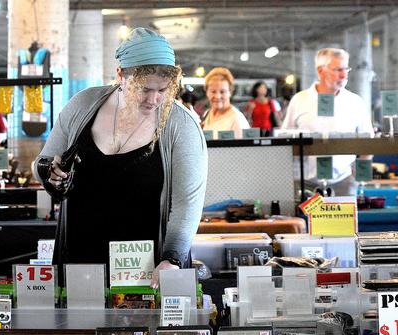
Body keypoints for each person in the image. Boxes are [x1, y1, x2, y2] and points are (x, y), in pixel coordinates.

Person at [34, 28, 207, 287]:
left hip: (147, 271)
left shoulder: (180, 125)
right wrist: (51, 172)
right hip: (80, 258)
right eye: (145, 89)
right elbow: (43, 163)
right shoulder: (83, 105)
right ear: (120, 75)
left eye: (163, 89)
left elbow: (186, 204)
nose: (155, 99)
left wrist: (173, 257)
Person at [282, 48, 373, 196]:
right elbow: (285, 141)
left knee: (344, 220)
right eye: (338, 69)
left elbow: (368, 142)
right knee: (303, 220)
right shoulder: (300, 100)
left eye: (346, 69)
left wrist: (357, 178)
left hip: (343, 183)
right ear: (320, 70)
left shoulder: (355, 102)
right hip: (304, 184)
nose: (344, 75)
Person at [201, 67, 250, 139]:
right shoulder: (207, 114)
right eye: (213, 91)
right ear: (207, 92)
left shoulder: (237, 120)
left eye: (222, 92)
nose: (217, 96)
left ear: (230, 92)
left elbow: (244, 149)